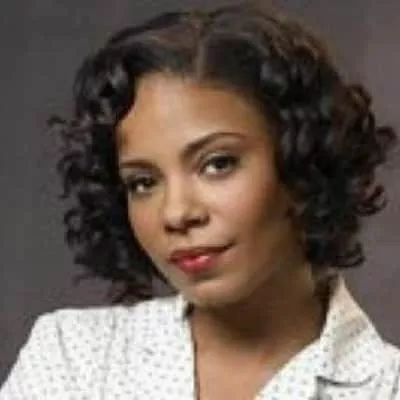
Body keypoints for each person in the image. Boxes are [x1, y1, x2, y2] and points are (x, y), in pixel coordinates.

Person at [0, 3, 399, 399]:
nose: (176, 213)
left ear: (303, 162)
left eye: (218, 164)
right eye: (143, 182)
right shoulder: (74, 356)